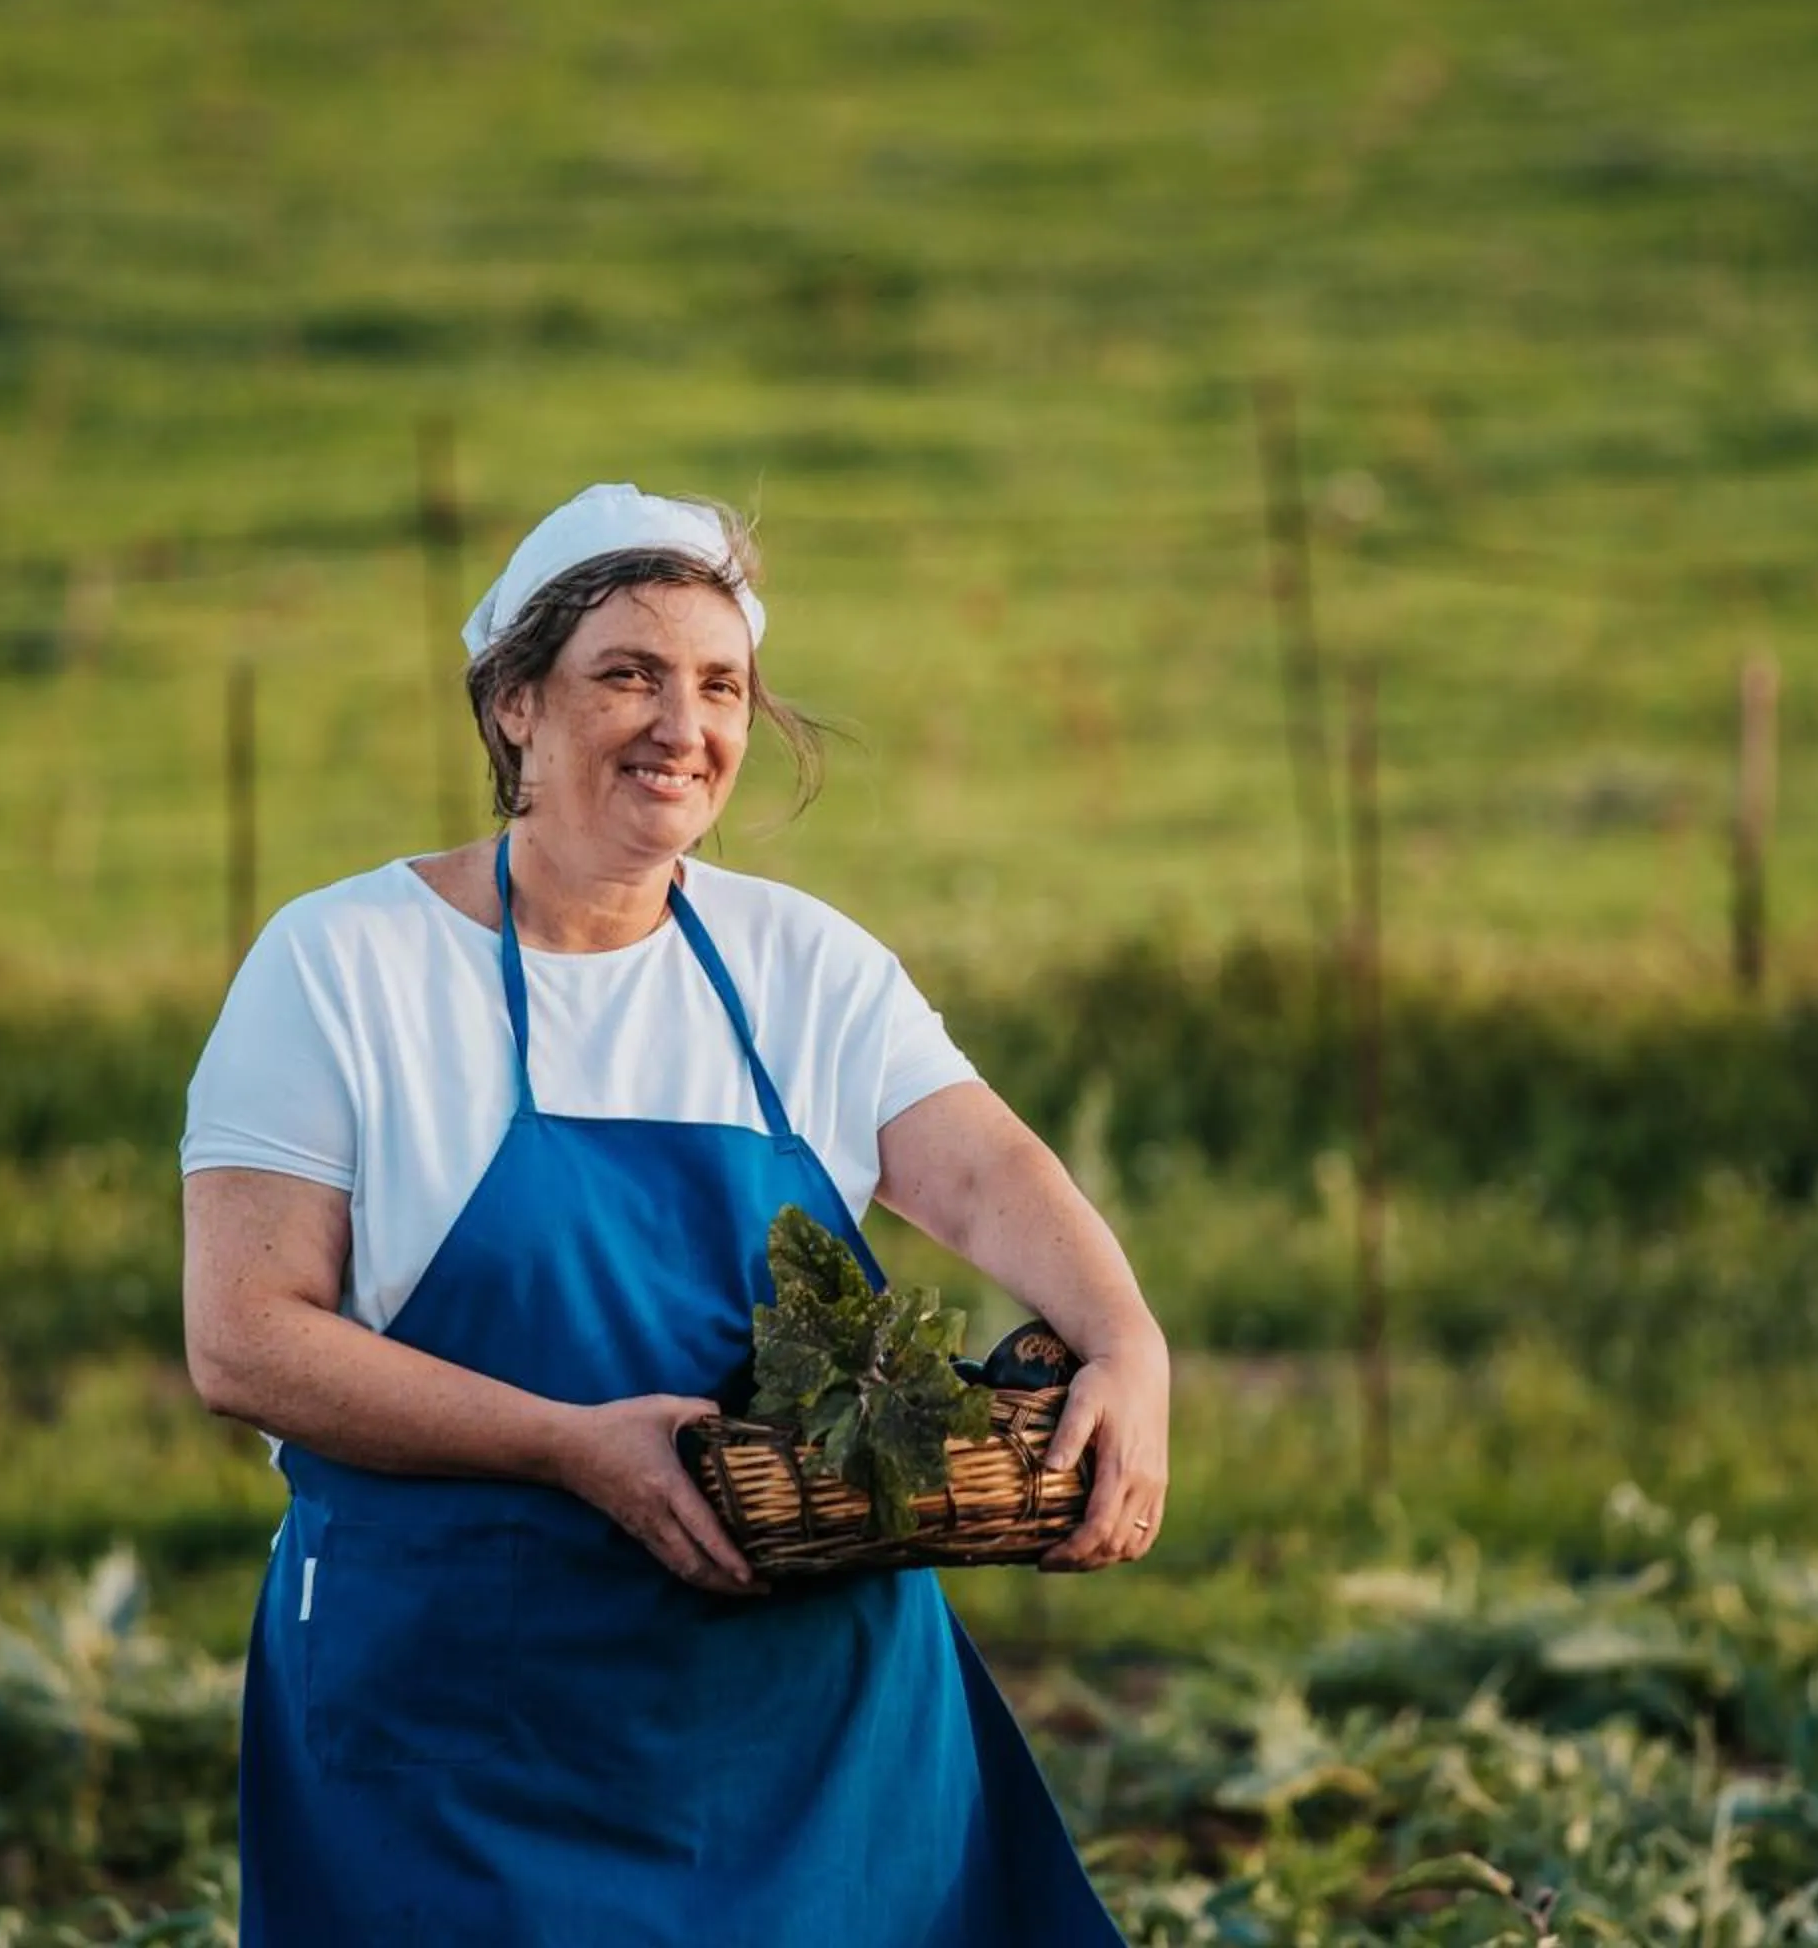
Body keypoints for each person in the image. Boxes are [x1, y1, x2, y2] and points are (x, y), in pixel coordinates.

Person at [179, 482, 1170, 1945]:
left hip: (806, 1750)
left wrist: (1130, 1346)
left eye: (719, 685)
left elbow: (988, 1175)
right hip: (465, 1724)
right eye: (628, 674)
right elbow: (245, 1341)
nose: (681, 725)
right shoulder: (343, 966)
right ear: (515, 703)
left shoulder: (802, 965)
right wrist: (570, 1448)